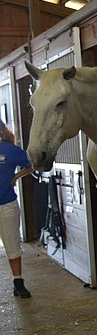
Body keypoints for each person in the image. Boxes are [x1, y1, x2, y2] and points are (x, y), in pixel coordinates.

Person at [0, 121, 34, 298]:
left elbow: (33, 163)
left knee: (12, 244)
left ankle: (18, 282)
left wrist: (16, 176)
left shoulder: (10, 150)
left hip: (6, 205)